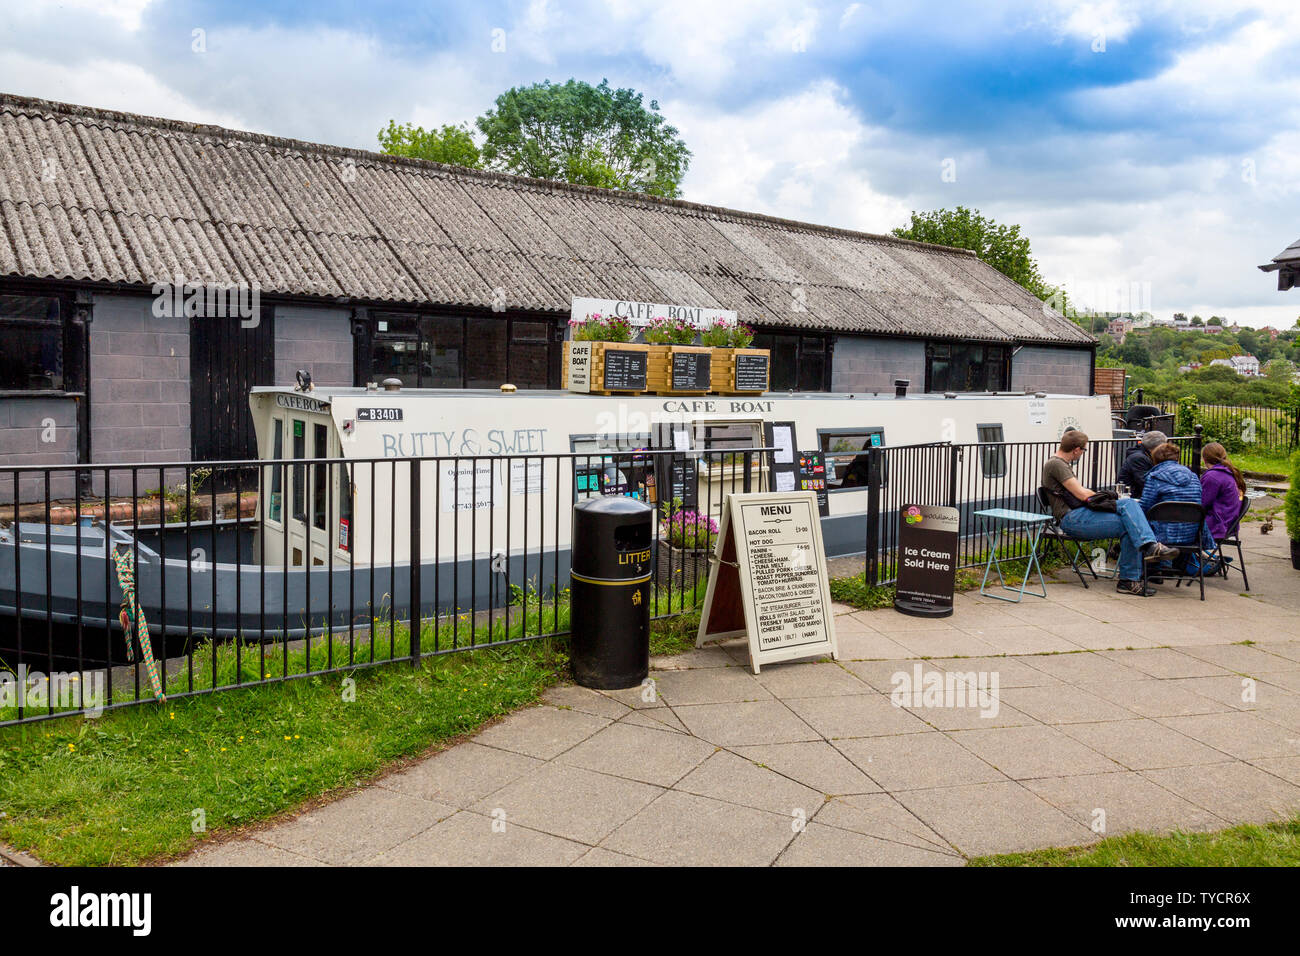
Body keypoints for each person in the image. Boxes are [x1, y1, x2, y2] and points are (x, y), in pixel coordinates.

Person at [1042, 430, 1178, 596]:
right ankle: (1148, 551)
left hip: (1079, 515)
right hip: (1071, 518)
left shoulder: (1061, 464)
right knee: (1128, 504)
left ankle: (1130, 579)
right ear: (1076, 450)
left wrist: (1105, 497)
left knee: (1130, 525)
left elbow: (1082, 494)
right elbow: (1082, 494)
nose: (1083, 454)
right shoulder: (1057, 464)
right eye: (1084, 450)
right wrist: (1107, 497)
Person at [1139, 443, 1215, 551]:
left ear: (1155, 459)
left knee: (1134, 526)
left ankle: (1136, 566)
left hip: (1160, 535)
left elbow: (1144, 508)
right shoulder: (1193, 476)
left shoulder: (1155, 477)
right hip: (1191, 534)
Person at [1200, 442, 1247, 541]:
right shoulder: (1229, 472)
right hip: (1229, 524)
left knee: (1176, 526)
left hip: (1216, 527)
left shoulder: (1212, 477)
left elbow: (1201, 505)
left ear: (1204, 459)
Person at [1117, 430, 1166, 496]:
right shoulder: (1138, 458)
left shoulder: (1142, 454)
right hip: (1133, 495)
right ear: (1157, 447)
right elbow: (1144, 482)